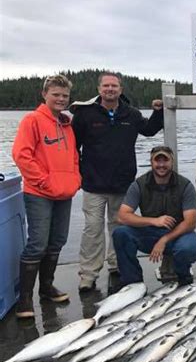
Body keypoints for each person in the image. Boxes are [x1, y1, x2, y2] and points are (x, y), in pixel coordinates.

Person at [71, 72, 164, 291]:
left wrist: (158, 112)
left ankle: (116, 264)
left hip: (122, 183)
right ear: (99, 89)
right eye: (106, 86)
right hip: (93, 184)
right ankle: (88, 273)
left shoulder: (131, 114)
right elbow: (73, 146)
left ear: (120, 89)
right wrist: (75, 173)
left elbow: (149, 130)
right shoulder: (85, 114)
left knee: (119, 227)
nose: (110, 89)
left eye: (114, 86)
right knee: (92, 229)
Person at [12, 74, 81, 318]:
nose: (61, 99)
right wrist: (44, 181)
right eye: (56, 95)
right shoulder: (32, 120)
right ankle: (25, 299)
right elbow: (22, 155)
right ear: (44, 95)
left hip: (64, 192)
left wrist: (75, 179)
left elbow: (73, 156)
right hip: (39, 193)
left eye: (65, 96)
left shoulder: (67, 124)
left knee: (57, 240)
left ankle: (47, 288)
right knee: (37, 244)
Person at [112, 145, 196, 288]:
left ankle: (183, 278)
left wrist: (164, 240)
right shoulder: (139, 184)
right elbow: (122, 216)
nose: (161, 165)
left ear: (172, 162)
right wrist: (154, 221)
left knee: (189, 247)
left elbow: (191, 222)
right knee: (120, 233)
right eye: (157, 161)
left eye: (165, 161)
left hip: (178, 234)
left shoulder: (185, 185)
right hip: (150, 233)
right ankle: (133, 283)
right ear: (151, 162)